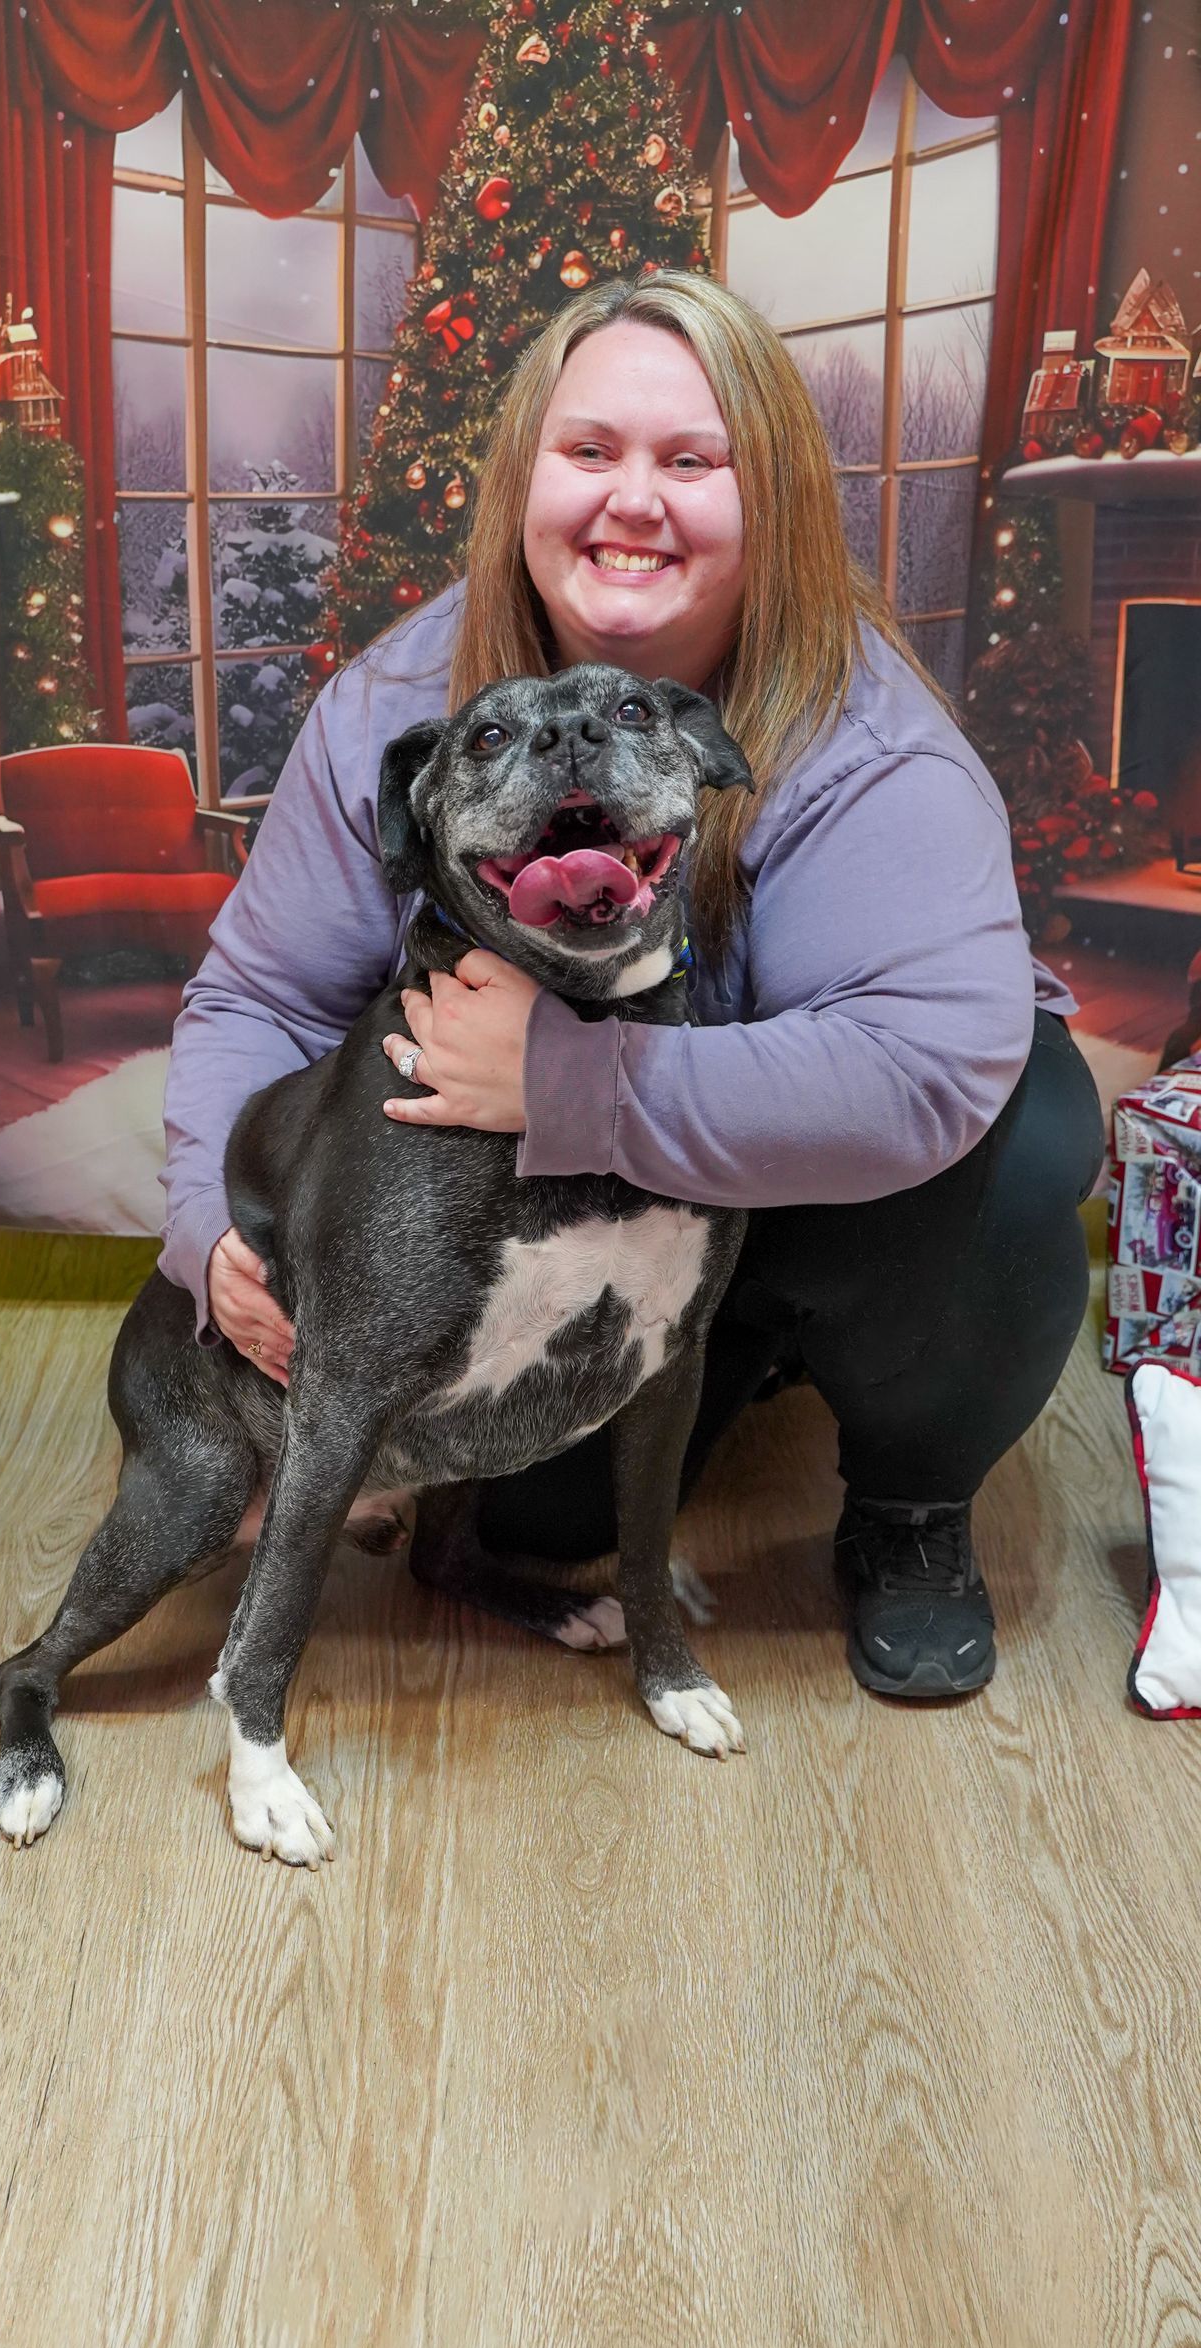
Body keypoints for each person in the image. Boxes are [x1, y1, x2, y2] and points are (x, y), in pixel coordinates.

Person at [157, 270, 1104, 1701]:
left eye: (692, 460)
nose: (633, 501)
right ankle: (707, 1374)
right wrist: (210, 1236)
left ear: (768, 495)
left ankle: (911, 1503)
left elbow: (926, 1068)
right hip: (561, 1229)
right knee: (538, 1522)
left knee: (1028, 1130)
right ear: (522, 483)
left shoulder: (870, 745)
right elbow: (264, 1006)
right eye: (590, 452)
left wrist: (560, 1082)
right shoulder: (398, 710)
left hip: (832, 1202)